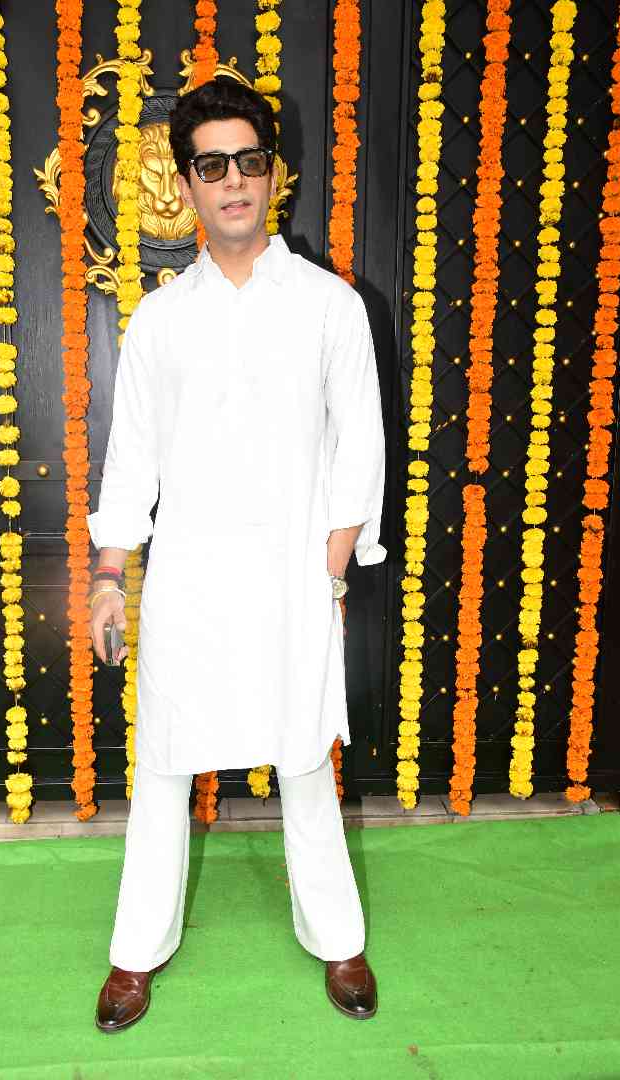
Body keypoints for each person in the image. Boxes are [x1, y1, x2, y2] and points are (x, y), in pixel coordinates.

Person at [87, 75, 386, 1033]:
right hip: (190, 585)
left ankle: (338, 941)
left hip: (295, 580)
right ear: (186, 184)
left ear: (273, 174)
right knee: (164, 769)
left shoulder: (331, 306)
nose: (232, 182)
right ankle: (135, 955)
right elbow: (130, 458)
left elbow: (361, 449)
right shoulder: (161, 319)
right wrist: (108, 578)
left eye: (248, 162)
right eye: (211, 166)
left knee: (304, 763)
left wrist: (328, 573)